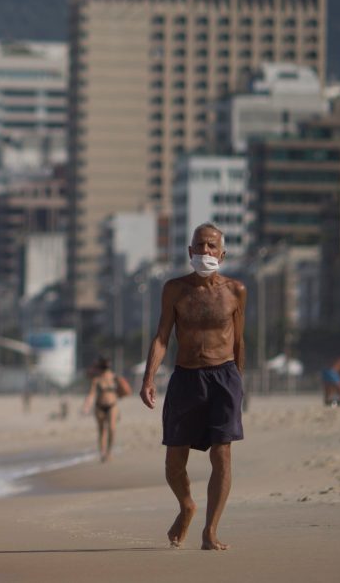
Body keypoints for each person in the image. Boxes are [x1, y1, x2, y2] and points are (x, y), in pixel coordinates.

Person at [140, 222, 247, 551]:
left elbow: (239, 340)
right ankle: (187, 505)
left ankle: (210, 531)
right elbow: (162, 337)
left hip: (224, 376)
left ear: (223, 254)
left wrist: (240, 385)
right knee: (174, 462)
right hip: (186, 377)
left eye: (212, 246)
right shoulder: (175, 289)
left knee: (222, 454)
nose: (205, 252)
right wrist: (148, 378)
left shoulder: (236, 291)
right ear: (189, 251)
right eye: (200, 246)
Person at [81, 357, 121, 462]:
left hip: (112, 405)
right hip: (99, 406)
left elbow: (121, 390)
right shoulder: (96, 379)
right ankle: (103, 453)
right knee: (102, 430)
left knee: (112, 429)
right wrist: (86, 406)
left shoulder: (114, 377)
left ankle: (109, 452)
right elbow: (91, 394)